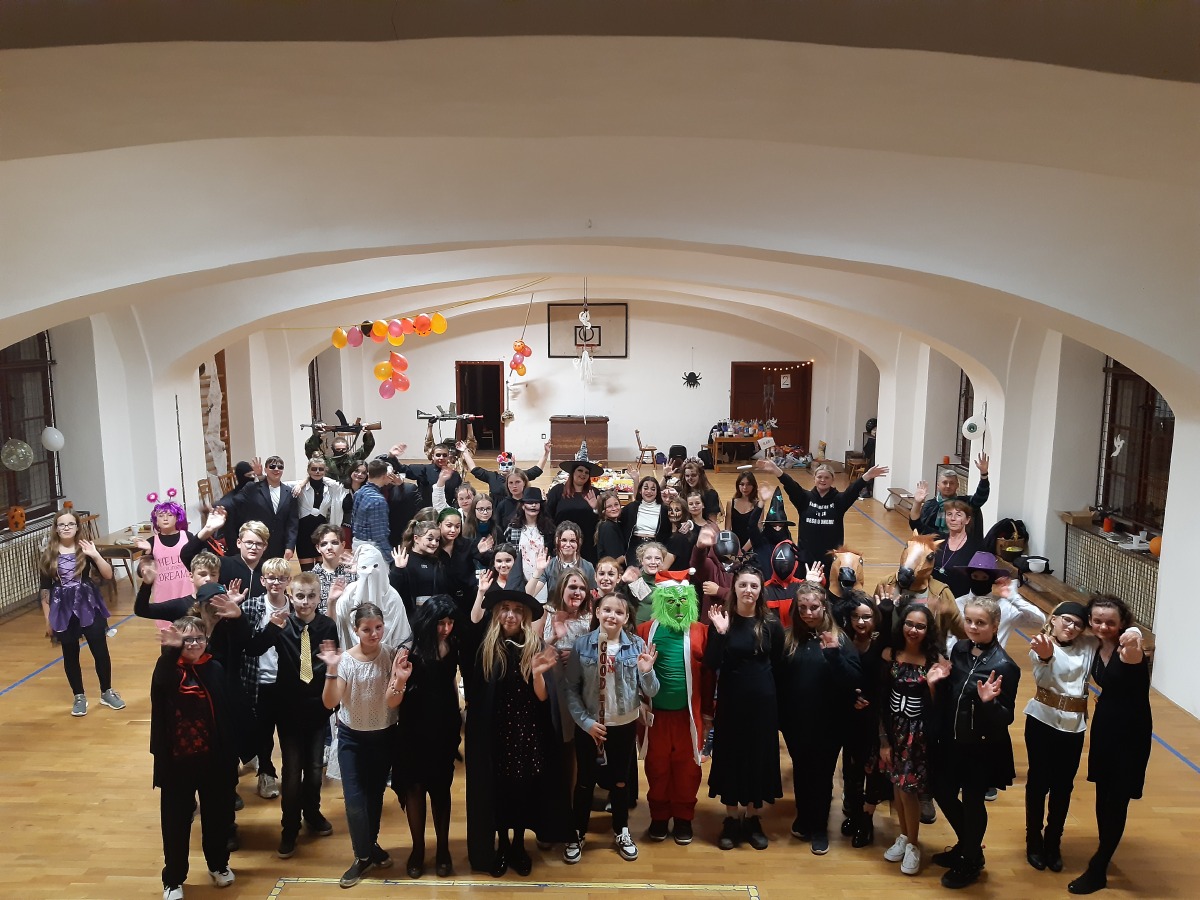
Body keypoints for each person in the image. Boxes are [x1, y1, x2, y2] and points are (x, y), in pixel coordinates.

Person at [465, 589, 570, 876]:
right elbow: (480, 696)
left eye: (517, 610)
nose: (510, 615)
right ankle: (502, 844)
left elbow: (543, 698)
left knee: (523, 790)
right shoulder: (487, 647)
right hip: (496, 733)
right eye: (505, 608)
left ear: (524, 616)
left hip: (526, 733)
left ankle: (519, 845)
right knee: (499, 790)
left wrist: (536, 675)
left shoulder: (535, 646)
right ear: (497, 612)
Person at [243, 570, 338, 858]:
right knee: (292, 771)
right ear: (291, 597)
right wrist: (271, 628)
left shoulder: (327, 626)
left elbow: (332, 664)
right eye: (300, 596)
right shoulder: (281, 624)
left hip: (317, 709)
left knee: (314, 770)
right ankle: (289, 827)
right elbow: (253, 648)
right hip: (288, 710)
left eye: (311, 596)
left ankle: (312, 812)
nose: (305, 602)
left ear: (318, 598)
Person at [929, 594, 1021, 889]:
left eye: (980, 623)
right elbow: (953, 695)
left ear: (995, 625)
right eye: (968, 620)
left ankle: (970, 859)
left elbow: (1006, 717)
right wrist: (937, 682)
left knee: (972, 802)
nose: (972, 627)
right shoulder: (959, 649)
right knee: (941, 791)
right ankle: (968, 844)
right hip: (952, 741)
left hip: (981, 747)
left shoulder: (1005, 666)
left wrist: (988, 703)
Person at [562, 592, 660, 864]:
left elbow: (652, 690)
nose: (612, 616)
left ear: (626, 617)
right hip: (591, 725)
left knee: (620, 781)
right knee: (585, 781)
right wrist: (586, 723)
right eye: (606, 610)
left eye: (618, 612)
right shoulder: (583, 645)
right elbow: (571, 689)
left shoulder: (637, 644)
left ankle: (621, 830)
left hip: (624, 724)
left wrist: (646, 670)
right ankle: (577, 832)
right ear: (597, 612)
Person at [319, 603, 412, 889]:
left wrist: (399, 680)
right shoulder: (346, 660)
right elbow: (330, 702)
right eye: (367, 629)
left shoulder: (391, 655)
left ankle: (369, 846)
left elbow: (392, 702)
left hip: (384, 737)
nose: (374, 634)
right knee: (355, 802)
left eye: (378, 627)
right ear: (355, 630)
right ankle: (362, 855)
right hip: (352, 739)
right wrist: (331, 669)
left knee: (374, 797)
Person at [1067, 595, 1150, 896]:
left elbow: (1135, 643)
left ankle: (1098, 867)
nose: (1103, 626)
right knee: (1103, 794)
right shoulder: (1095, 645)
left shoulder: (1128, 649)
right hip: (1104, 728)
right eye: (1097, 620)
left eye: (1111, 622)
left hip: (1131, 733)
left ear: (1122, 623)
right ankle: (1106, 848)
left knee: (1117, 799)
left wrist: (1135, 633)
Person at [151, 617, 238, 900]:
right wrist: (170, 652)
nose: (194, 644)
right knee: (175, 823)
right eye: (187, 640)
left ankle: (218, 864)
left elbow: (226, 714)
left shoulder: (214, 668)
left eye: (199, 638)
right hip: (177, 764)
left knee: (218, 818)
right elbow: (162, 683)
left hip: (214, 761)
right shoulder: (168, 669)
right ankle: (173, 879)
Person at [777, 583, 863, 855]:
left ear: (824, 607)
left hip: (829, 724)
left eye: (814, 607)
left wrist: (834, 655)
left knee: (822, 775)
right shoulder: (789, 639)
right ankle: (804, 817)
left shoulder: (840, 639)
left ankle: (819, 827)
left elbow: (853, 680)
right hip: (796, 723)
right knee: (802, 771)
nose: (808, 613)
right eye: (802, 607)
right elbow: (779, 681)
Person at [704, 563, 785, 851]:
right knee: (731, 756)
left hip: (763, 704)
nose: (748, 590)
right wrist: (721, 633)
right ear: (734, 589)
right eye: (743, 585)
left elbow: (778, 664)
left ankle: (752, 818)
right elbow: (711, 663)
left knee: (758, 756)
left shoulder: (771, 624)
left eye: (753, 585)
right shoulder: (722, 620)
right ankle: (731, 819)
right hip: (731, 702)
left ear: (760, 590)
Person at [636, 569, 714, 846]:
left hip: (688, 717)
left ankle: (683, 817)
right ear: (660, 601)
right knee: (656, 767)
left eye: (683, 600)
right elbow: (633, 672)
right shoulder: (644, 631)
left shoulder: (701, 631)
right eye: (671, 600)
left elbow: (709, 675)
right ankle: (659, 816)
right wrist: (638, 703)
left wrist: (709, 713)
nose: (678, 606)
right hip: (655, 717)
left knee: (688, 768)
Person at [393, 595, 463, 879]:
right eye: (440, 623)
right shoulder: (408, 650)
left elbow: (452, 682)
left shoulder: (453, 644)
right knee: (414, 789)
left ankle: (443, 849)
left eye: (450, 622)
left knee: (441, 788)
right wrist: (400, 679)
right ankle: (418, 849)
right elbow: (394, 695)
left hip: (444, 726)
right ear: (428, 621)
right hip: (414, 728)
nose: (446, 628)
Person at [1023, 601, 1095, 874]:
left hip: (1074, 726)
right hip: (1042, 721)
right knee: (1038, 782)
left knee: (1063, 786)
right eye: (1066, 620)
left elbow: (1116, 631)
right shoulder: (1042, 644)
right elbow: (1042, 660)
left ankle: (1053, 842)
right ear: (1053, 619)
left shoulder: (1087, 645)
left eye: (1078, 624)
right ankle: (1033, 839)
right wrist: (1045, 655)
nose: (1071, 626)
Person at [878, 603, 949, 877]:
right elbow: (882, 700)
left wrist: (932, 684)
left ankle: (914, 844)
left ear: (928, 630)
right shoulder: (890, 654)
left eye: (920, 626)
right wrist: (884, 741)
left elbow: (940, 707)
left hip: (917, 734)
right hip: (893, 730)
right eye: (909, 623)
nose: (914, 630)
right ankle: (904, 836)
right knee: (897, 785)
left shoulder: (936, 661)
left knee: (909, 789)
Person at [38, 509, 122, 716]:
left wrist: (95, 555)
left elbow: (108, 574)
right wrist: (48, 619)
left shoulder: (86, 548)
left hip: (88, 604)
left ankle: (106, 691)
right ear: (56, 528)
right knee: (70, 652)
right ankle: (79, 696)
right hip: (63, 607)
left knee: (100, 649)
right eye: (62, 524)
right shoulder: (49, 554)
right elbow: (45, 589)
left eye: (70, 524)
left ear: (77, 527)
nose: (66, 528)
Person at [756, 457, 889, 564]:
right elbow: (791, 485)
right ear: (814, 478)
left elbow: (853, 490)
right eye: (819, 477)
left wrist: (867, 476)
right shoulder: (804, 498)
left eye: (826, 477)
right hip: (806, 559)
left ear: (832, 480)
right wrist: (776, 470)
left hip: (831, 560)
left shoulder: (839, 501)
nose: (822, 480)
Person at [238, 556, 296, 801]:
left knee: (289, 733)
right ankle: (266, 772)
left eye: (281, 579)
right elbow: (247, 647)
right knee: (263, 733)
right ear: (263, 580)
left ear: (288, 581)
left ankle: (292, 776)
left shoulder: (296, 607)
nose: (276, 583)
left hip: (288, 683)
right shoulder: (251, 606)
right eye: (271, 578)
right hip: (259, 680)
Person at [842, 590, 892, 849]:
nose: (860, 622)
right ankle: (852, 812)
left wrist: (887, 609)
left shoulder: (881, 643)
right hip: (850, 715)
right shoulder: (844, 640)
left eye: (866, 617)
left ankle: (866, 819)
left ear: (874, 619)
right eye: (855, 617)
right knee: (851, 769)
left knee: (872, 771)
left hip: (875, 717)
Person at [948, 551, 1046, 657]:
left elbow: (1039, 621)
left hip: (993, 663)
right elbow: (948, 639)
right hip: (961, 662)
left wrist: (1013, 597)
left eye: (984, 578)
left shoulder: (1005, 607)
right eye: (975, 576)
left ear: (992, 579)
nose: (979, 581)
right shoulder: (957, 604)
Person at [219, 455, 300, 561]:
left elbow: (292, 523)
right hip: (257, 544)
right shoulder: (252, 488)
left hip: (279, 546)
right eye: (272, 466)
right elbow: (233, 502)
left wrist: (290, 546)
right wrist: (218, 507)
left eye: (280, 467)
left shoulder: (289, 492)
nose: (276, 469)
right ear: (265, 470)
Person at [136, 495, 196, 630]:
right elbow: (141, 571)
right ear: (155, 520)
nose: (165, 518)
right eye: (161, 515)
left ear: (177, 518)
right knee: (168, 634)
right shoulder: (151, 542)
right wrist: (146, 555)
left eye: (169, 515)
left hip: (187, 593)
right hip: (164, 596)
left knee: (191, 629)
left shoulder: (187, 537)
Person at [183, 513, 269, 599]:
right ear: (239, 543)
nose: (253, 547)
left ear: (265, 546)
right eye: (249, 543)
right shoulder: (222, 564)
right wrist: (207, 530)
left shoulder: (269, 568)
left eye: (259, 544)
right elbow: (187, 555)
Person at [456, 439, 551, 516]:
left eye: (509, 464)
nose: (505, 467)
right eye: (502, 464)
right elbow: (474, 469)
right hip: (496, 514)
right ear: (498, 465)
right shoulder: (492, 477)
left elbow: (536, 470)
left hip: (517, 512)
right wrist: (465, 452)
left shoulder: (519, 476)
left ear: (513, 465)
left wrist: (546, 453)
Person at [909, 452, 990, 541]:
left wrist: (984, 474)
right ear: (938, 485)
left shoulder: (965, 504)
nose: (948, 486)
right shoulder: (930, 505)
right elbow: (917, 526)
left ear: (957, 485)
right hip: (935, 545)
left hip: (962, 546)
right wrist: (917, 503)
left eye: (951, 483)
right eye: (945, 482)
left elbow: (981, 496)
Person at [290, 455, 347, 568]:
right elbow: (277, 483)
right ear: (308, 470)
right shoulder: (298, 486)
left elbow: (339, 484)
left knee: (324, 568)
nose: (317, 471)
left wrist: (308, 480)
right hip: (303, 533)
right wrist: (302, 483)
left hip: (322, 532)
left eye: (320, 469)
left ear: (325, 470)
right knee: (307, 570)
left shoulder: (330, 487)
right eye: (314, 469)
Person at [502, 487, 556, 600]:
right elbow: (507, 553)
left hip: (543, 579)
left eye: (536, 503)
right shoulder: (513, 528)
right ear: (523, 506)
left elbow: (553, 553)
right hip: (519, 579)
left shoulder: (549, 529)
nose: (533, 505)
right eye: (530, 502)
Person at [546, 454, 602, 563]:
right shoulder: (558, 491)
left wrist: (596, 508)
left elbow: (600, 521)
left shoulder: (594, 493)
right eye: (580, 470)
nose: (583, 474)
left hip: (587, 546)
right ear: (572, 473)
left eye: (586, 472)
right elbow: (548, 516)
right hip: (563, 544)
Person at [384, 439, 462, 509]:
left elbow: (458, 496)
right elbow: (402, 469)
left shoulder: (455, 475)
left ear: (448, 457)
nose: (441, 458)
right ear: (433, 456)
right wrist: (391, 456)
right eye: (438, 455)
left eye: (444, 455)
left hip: (446, 513)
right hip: (426, 512)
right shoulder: (424, 469)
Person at [929, 500, 981, 600]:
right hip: (933, 597)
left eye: (958, 515)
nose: (953, 518)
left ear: (967, 520)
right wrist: (917, 503)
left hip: (959, 600)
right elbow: (916, 524)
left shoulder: (976, 547)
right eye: (949, 514)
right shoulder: (938, 540)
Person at [619, 474, 671, 562]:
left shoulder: (664, 509)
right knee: (634, 570)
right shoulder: (631, 507)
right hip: (635, 546)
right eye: (646, 488)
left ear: (657, 492)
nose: (649, 491)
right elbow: (616, 518)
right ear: (640, 490)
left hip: (656, 546)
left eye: (653, 489)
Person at [351, 459, 394, 561]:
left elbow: (353, 520)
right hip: (371, 549)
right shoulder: (377, 500)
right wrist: (390, 558)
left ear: (368, 474)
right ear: (384, 476)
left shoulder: (359, 492)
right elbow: (379, 534)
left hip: (357, 543)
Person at [304, 423, 376, 483]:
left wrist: (368, 433)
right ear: (332, 449)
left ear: (348, 448)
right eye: (338, 449)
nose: (341, 451)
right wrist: (316, 435)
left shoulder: (353, 460)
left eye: (344, 449)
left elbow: (367, 447)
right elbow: (310, 450)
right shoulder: (326, 462)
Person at [542, 521, 597, 595]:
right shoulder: (549, 565)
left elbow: (592, 596)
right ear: (557, 541)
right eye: (564, 540)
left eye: (572, 541)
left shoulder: (588, 567)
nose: (568, 544)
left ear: (579, 542)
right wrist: (538, 571)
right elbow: (531, 593)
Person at [311, 524, 354, 616]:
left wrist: (361, 571)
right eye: (324, 544)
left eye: (334, 543)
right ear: (318, 548)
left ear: (343, 545)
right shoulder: (311, 578)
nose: (329, 547)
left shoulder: (353, 573)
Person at [724, 470, 763, 552]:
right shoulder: (731, 503)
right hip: (734, 546)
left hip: (752, 547)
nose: (745, 487)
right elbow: (728, 530)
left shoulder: (759, 505)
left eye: (748, 484)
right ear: (738, 485)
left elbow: (758, 529)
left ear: (753, 486)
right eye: (742, 484)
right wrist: (735, 548)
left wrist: (743, 550)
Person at [593, 491, 627, 566]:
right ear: (603, 510)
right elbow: (614, 559)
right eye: (609, 506)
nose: (614, 508)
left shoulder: (616, 523)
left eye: (616, 504)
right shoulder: (608, 527)